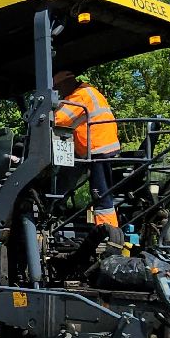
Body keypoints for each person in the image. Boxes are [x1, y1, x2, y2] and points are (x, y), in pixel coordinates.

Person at [51, 68, 121, 228]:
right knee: (68, 176)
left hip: (98, 150)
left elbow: (57, 120)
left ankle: (107, 231)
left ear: (66, 83)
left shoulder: (79, 96)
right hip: (98, 149)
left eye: (59, 88)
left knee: (101, 194)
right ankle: (58, 209)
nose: (60, 93)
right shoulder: (89, 90)